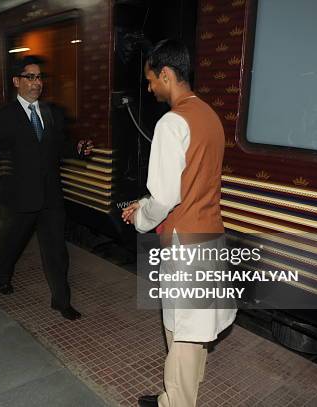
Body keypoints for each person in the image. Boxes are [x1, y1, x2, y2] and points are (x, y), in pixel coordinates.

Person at [122, 40, 237, 407]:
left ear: (167, 75)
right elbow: (193, 181)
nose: (149, 87)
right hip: (210, 237)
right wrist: (148, 202)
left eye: (151, 79)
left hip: (184, 248)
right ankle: (176, 399)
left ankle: (176, 403)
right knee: (197, 333)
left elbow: (167, 197)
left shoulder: (171, 123)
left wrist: (140, 216)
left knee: (181, 335)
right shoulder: (208, 115)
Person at [0, 55, 93, 320]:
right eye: (30, 77)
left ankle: (61, 301)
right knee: (11, 242)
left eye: (39, 77)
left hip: (51, 196)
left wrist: (78, 150)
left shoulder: (51, 112)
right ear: (17, 81)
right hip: (20, 197)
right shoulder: (4, 116)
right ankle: (2, 275)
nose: (37, 83)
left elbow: (59, 146)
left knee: (56, 250)